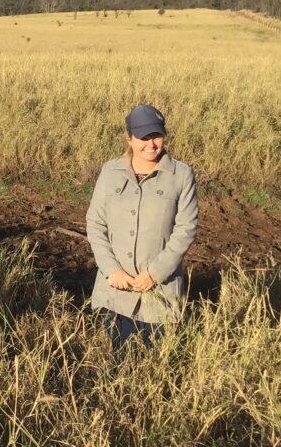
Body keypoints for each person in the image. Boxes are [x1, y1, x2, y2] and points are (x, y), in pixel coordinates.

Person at [85, 104, 198, 350]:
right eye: (143, 137)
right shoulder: (110, 171)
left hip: (160, 294)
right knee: (114, 363)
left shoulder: (181, 175)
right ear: (129, 137)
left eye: (156, 135)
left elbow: (186, 228)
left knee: (157, 367)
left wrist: (155, 273)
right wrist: (111, 270)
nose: (151, 143)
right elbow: (95, 223)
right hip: (116, 291)